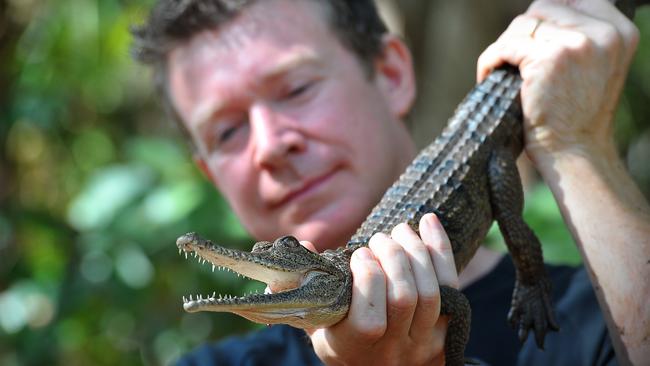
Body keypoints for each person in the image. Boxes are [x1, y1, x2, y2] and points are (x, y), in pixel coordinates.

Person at [132, 0, 650, 364]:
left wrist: (574, 144)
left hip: (483, 161)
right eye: (226, 131)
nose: (270, 145)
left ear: (393, 73)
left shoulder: (601, 310)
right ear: (207, 172)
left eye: (296, 87)